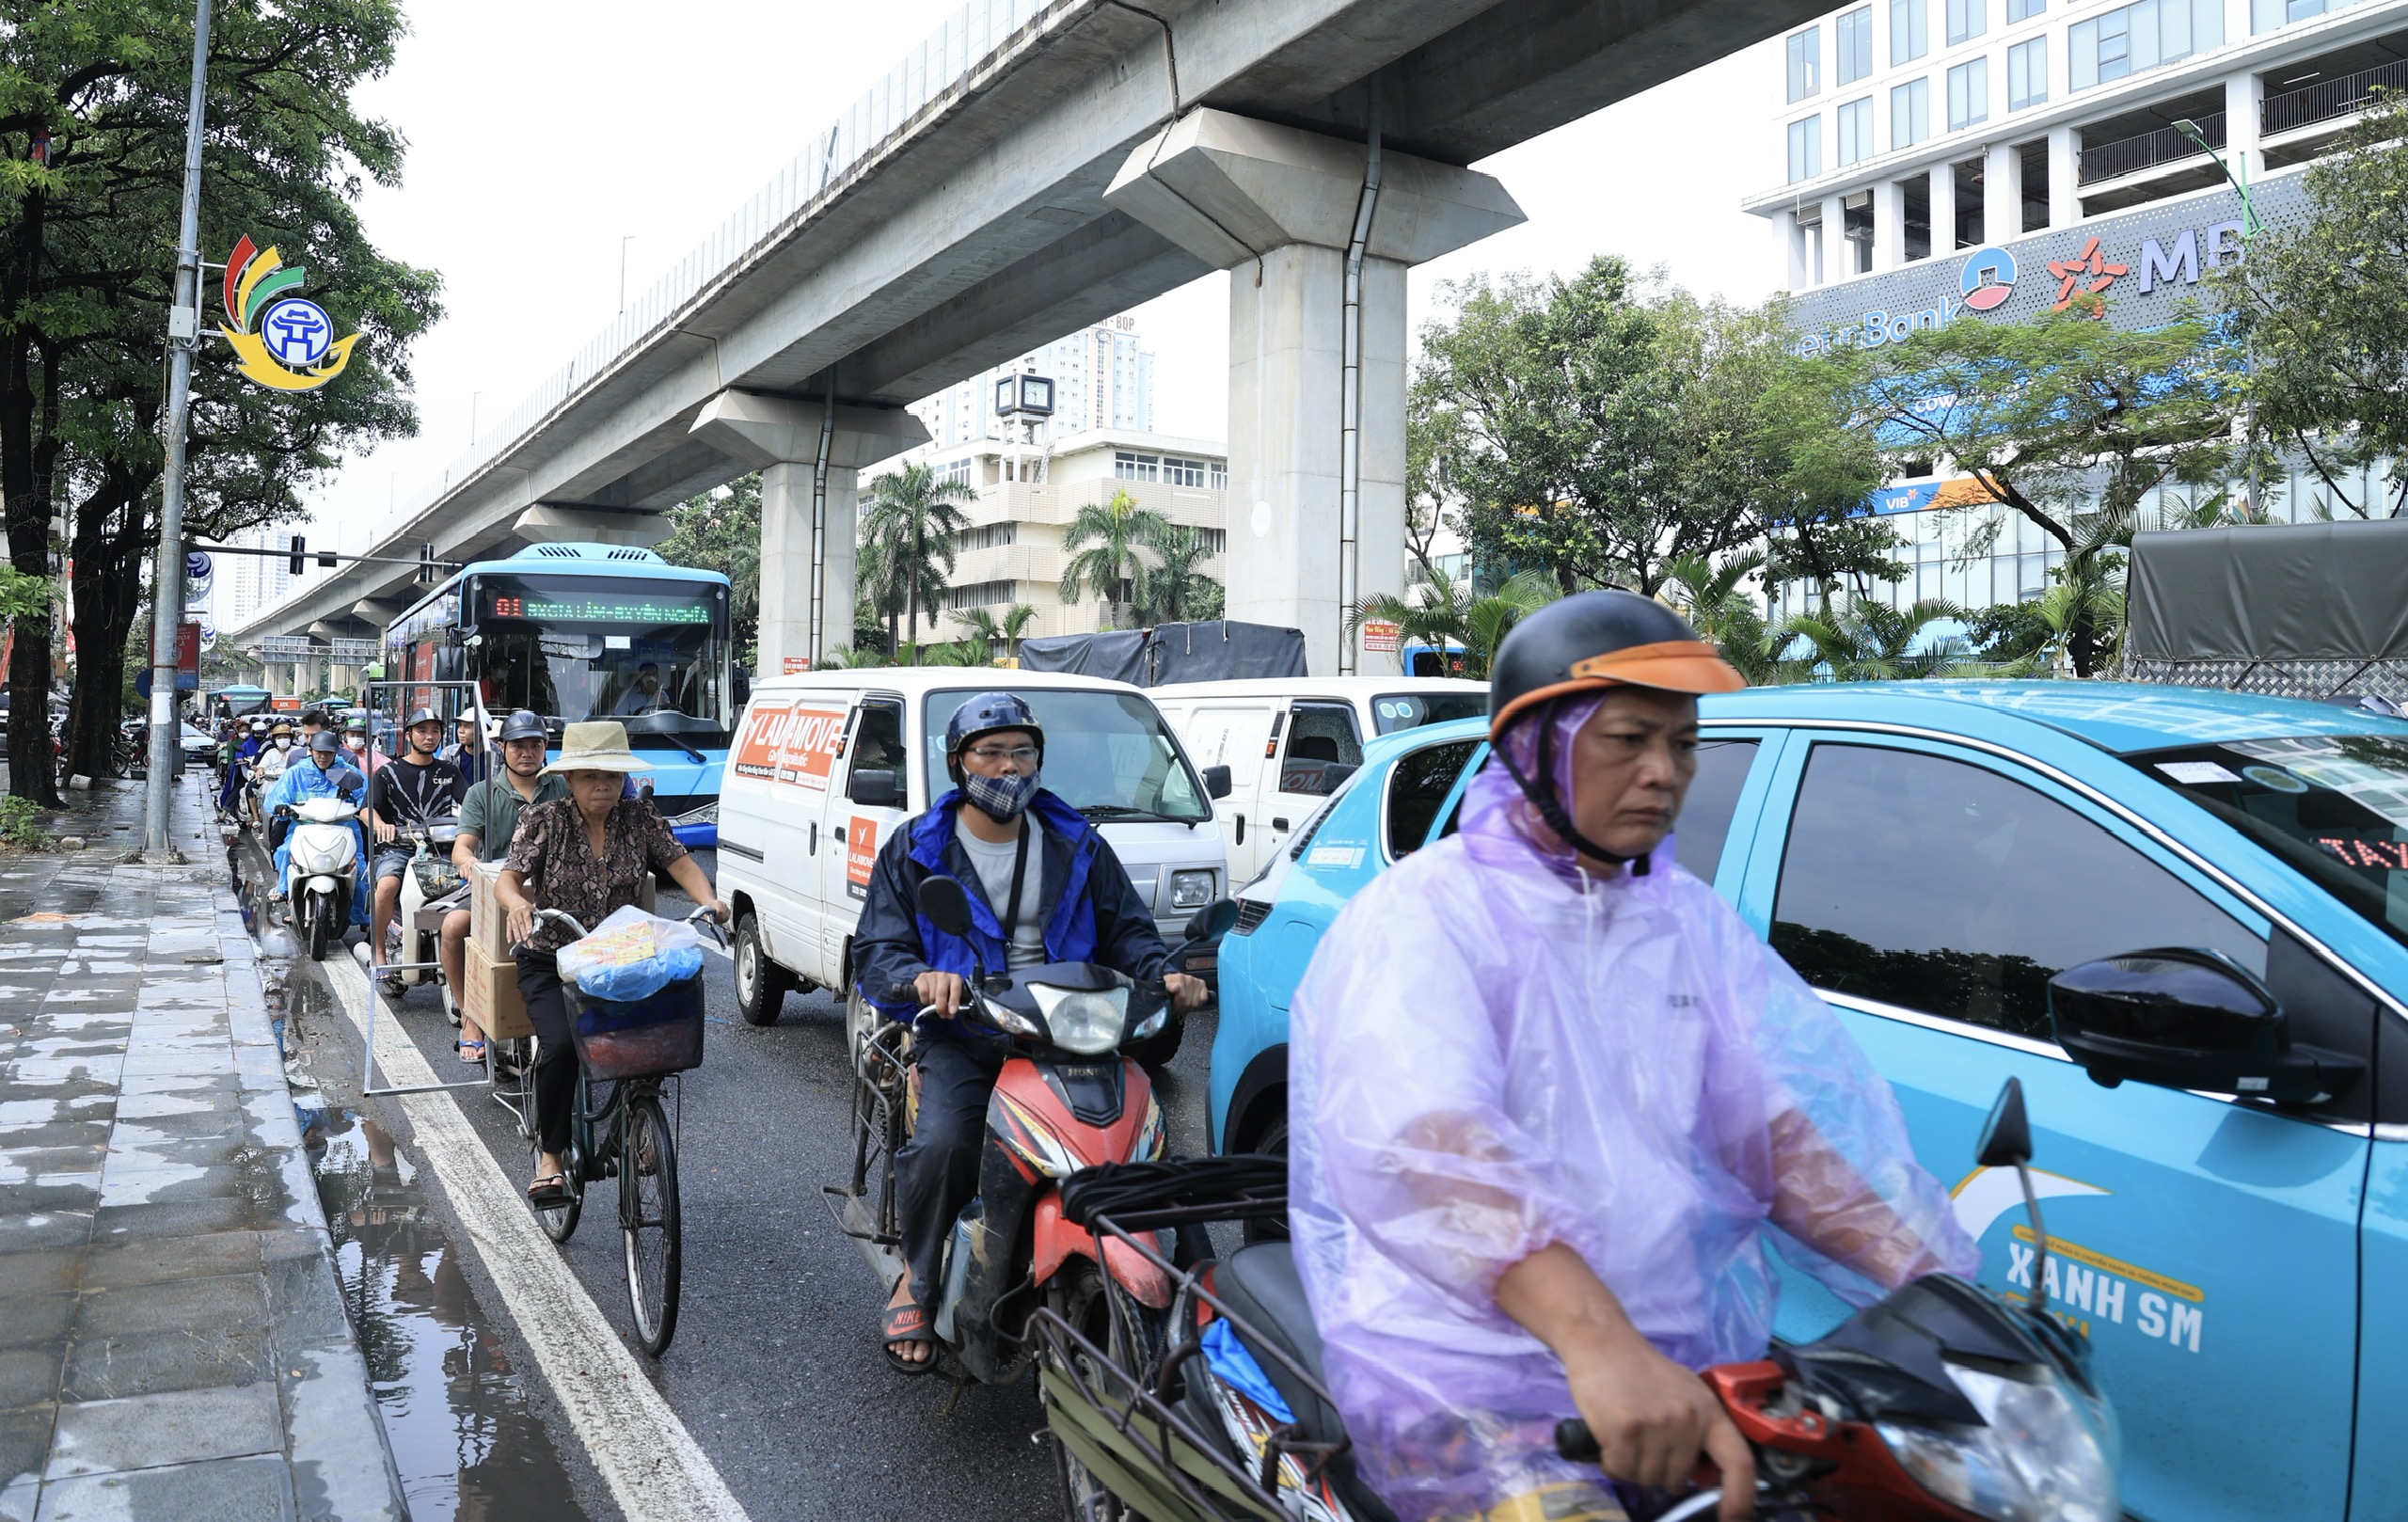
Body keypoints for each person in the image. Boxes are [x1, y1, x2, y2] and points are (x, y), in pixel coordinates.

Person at [1287, 593, 1979, 1522]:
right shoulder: (1426, 916)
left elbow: (1770, 1134)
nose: (1664, 773)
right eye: (1627, 739)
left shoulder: (1682, 921)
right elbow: (1428, 1151)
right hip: (1478, 1382)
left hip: (1671, 1369)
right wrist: (1596, 1341)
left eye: (1683, 745)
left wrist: (1934, 1286)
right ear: (1536, 746)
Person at [851, 692, 1208, 1371]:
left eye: (1021, 752)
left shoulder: (1076, 842)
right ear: (958, 764)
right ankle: (920, 1280)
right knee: (946, 1143)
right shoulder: (916, 847)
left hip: (1072, 1032)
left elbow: (1129, 931)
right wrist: (924, 978)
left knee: (1149, 1144)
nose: (1008, 768)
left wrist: (1164, 975)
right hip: (969, 1034)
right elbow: (878, 952)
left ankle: (1197, 1299)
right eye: (991, 752)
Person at [498, 721, 727, 1206]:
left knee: (663, 1028)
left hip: (623, 958)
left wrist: (710, 899)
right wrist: (518, 903)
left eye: (612, 775)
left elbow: (681, 863)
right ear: (571, 779)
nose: (602, 784)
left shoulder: (641, 817)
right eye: (589, 775)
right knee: (560, 1046)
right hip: (554, 960)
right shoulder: (544, 819)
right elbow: (509, 878)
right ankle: (551, 1158)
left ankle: (637, 1117)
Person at [444, 709, 566, 1062]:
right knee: (454, 926)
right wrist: (469, 864)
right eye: (518, 746)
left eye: (535, 745)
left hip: (555, 888)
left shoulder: (563, 786)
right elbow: (463, 846)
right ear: (502, 748)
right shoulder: (481, 794)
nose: (527, 752)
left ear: (545, 747)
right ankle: (471, 1015)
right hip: (497, 887)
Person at [365, 709, 467, 992]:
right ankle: (379, 950)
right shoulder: (387, 772)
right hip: (397, 848)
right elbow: (366, 809)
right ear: (408, 735)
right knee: (386, 886)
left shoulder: (449, 771)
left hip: (440, 850)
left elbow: (470, 804)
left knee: (467, 889)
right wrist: (382, 824)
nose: (429, 736)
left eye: (434, 731)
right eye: (422, 731)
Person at [264, 729, 368, 910]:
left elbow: (366, 797)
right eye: (319, 752)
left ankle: (363, 916)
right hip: (304, 827)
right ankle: (287, 893)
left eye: (328, 753)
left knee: (357, 865)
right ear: (311, 751)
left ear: (335, 753)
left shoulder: (348, 773)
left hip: (343, 827)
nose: (323, 757)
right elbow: (276, 797)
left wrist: (358, 802)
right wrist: (280, 807)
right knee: (286, 851)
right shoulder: (296, 773)